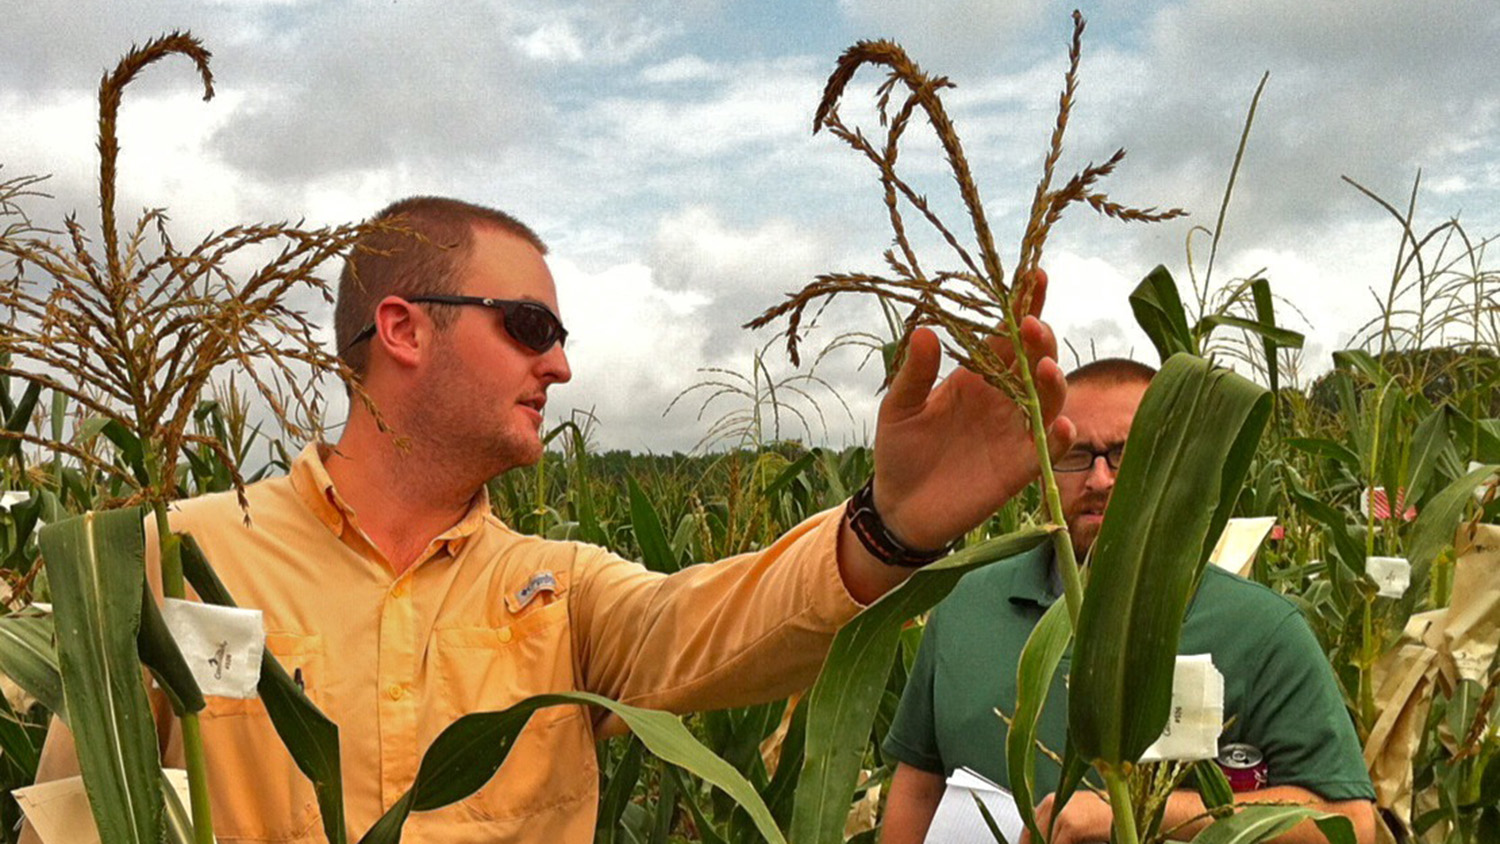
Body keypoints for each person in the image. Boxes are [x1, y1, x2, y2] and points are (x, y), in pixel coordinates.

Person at [25, 197, 1072, 844]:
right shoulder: (173, 556)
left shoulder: (559, 588)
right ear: (402, 328)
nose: (561, 363)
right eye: (530, 325)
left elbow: (711, 624)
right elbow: (80, 814)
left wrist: (889, 527)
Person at [880, 358, 1377, 844]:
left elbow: (1347, 821)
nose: (1099, 479)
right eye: (1074, 453)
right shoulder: (964, 604)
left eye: (1127, 453)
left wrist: (1131, 815)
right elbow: (920, 790)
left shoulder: (1262, 630)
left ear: (1173, 467)